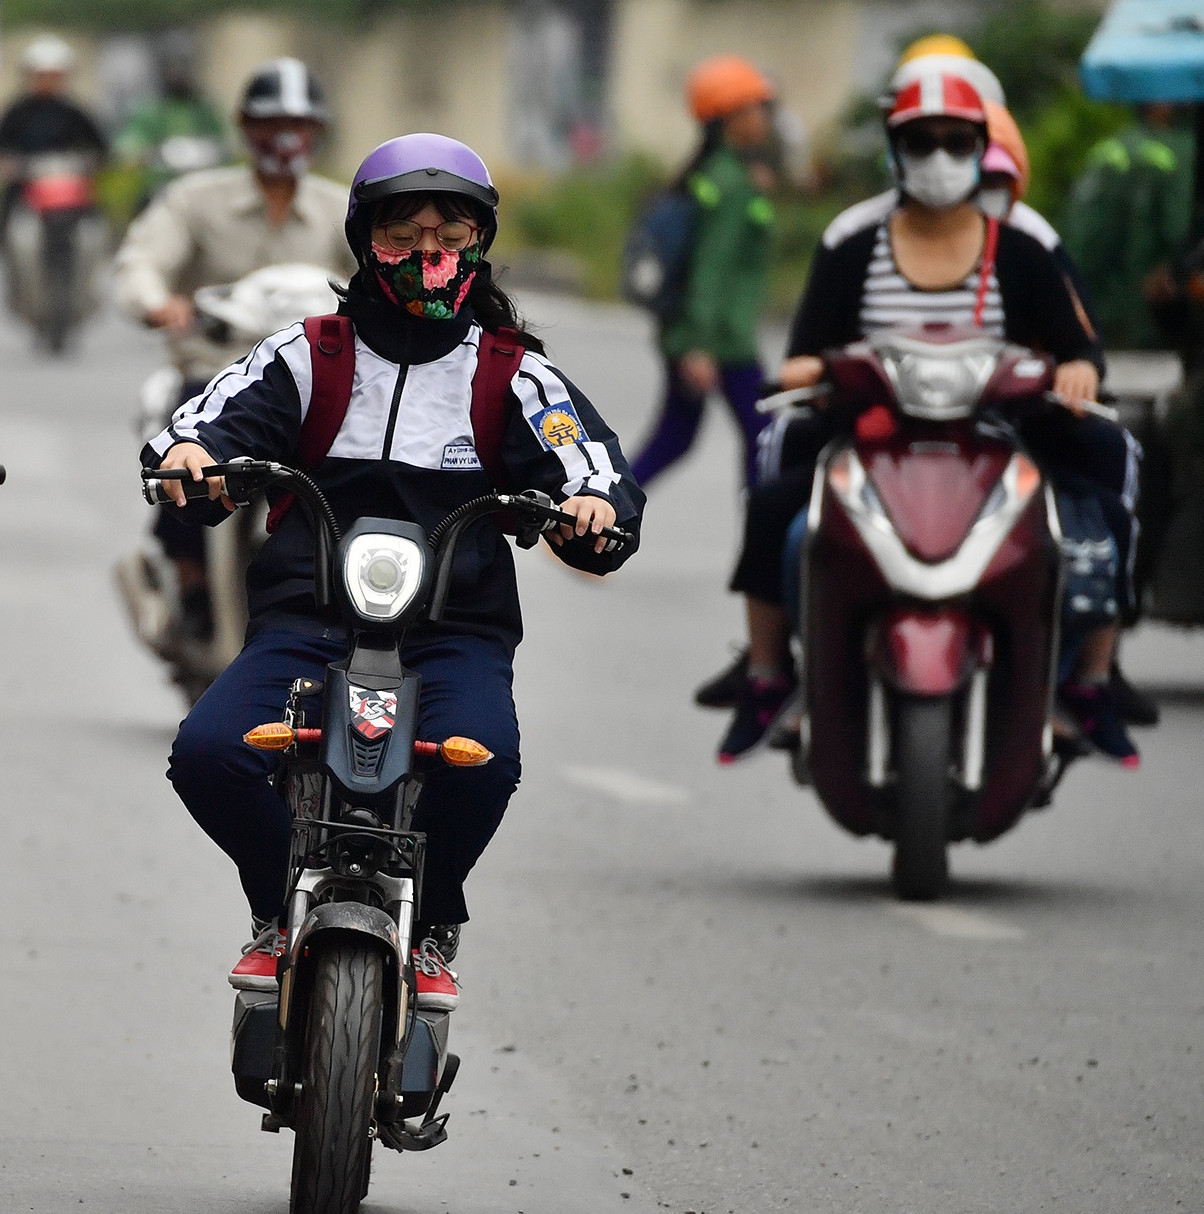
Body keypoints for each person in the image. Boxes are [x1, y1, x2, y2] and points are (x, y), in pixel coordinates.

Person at [146, 134, 645, 1003]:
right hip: (309, 624)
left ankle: (434, 921)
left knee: (484, 762)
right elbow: (201, 424)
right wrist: (190, 456)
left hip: (454, 635)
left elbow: (591, 467)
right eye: (403, 235)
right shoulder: (308, 355)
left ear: (479, 247)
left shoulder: (513, 375)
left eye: (451, 239)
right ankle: (276, 910)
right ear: (361, 242)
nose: (428, 256)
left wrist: (593, 510)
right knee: (208, 753)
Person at [714, 68, 1143, 765]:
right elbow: (805, 353)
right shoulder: (854, 245)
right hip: (871, 437)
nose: (939, 158)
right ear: (895, 149)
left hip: (1001, 438)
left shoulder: (1022, 250)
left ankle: (1092, 677)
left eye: (955, 141)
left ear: (980, 147)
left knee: (1105, 499)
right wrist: (814, 371)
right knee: (775, 510)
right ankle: (767, 672)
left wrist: (1078, 368)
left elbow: (1079, 347)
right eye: (921, 142)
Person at [114, 57, 356, 640]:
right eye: (270, 122)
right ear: (244, 127)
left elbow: (378, 273)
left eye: (299, 123)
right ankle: (191, 581)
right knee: (185, 464)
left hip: (315, 385)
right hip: (213, 373)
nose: (285, 136)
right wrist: (157, 302)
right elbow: (143, 261)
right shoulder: (193, 200)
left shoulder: (342, 209)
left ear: (318, 132)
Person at [630, 55, 779, 490]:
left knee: (675, 438)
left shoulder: (716, 174)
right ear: (731, 117)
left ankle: (591, 522)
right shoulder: (731, 183)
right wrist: (699, 346)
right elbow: (710, 270)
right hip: (719, 341)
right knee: (764, 440)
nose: (765, 117)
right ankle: (762, 541)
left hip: (703, 336)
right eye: (756, 107)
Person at [1064, 103, 1193, 352]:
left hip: (1098, 310)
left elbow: (1080, 230)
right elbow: (1179, 228)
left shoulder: (1106, 150)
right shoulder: (1180, 150)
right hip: (1152, 315)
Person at [0, 35, 108, 239]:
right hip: (26, 183)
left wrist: (91, 162)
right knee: (6, 209)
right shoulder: (16, 112)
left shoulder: (75, 112)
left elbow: (99, 147)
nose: (48, 81)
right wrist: (5, 164)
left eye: (54, 75)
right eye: (41, 75)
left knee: (94, 211)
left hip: (67, 181)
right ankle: (6, 251)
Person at [113, 31, 228, 204]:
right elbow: (129, 147)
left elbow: (223, 141)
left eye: (185, 66)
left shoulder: (204, 108)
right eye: (173, 67)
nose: (180, 74)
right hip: (160, 190)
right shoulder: (148, 109)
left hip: (202, 187)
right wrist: (148, 154)